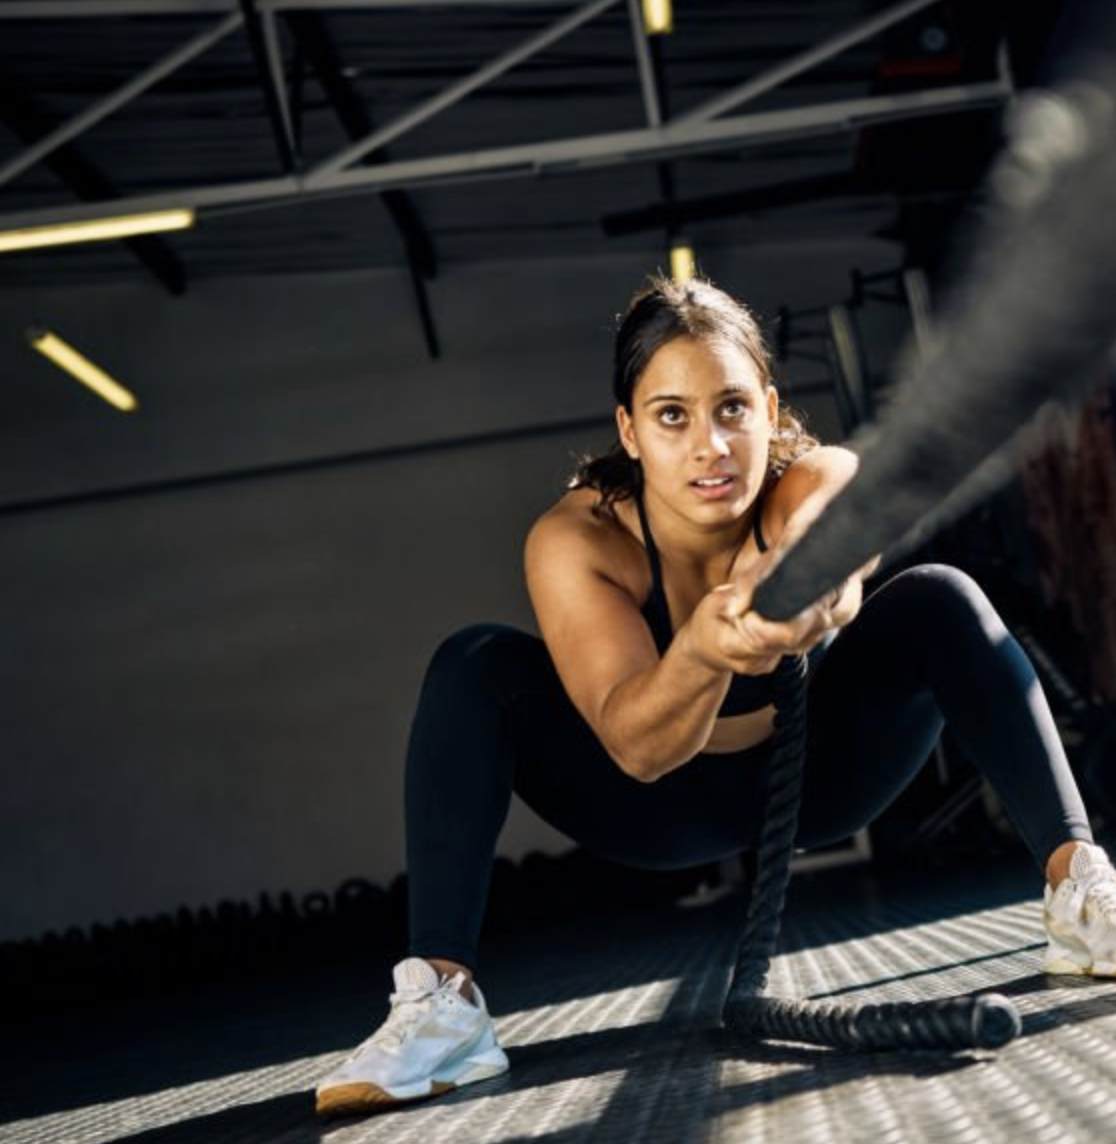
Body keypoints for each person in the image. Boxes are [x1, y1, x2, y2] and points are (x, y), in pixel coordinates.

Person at [315, 276, 1116, 1118]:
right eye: (672, 416)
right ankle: (445, 1009)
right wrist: (702, 646)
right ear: (630, 430)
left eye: (732, 408)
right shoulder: (578, 540)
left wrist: (808, 588)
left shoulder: (811, 478)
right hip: (658, 807)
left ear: (770, 408)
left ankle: (1082, 897)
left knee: (943, 596)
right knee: (473, 662)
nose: (710, 446)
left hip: (822, 776)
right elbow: (637, 747)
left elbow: (839, 544)